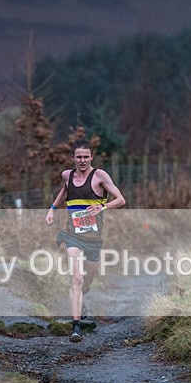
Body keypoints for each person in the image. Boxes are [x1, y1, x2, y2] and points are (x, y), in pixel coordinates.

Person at [46, 139, 126, 342]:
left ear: (91, 157)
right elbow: (64, 192)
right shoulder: (67, 175)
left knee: (87, 283)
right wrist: (52, 209)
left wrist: (103, 207)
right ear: (73, 158)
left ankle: (81, 301)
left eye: (86, 156)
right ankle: (76, 328)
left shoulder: (100, 176)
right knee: (76, 280)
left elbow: (121, 199)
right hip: (72, 236)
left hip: (93, 239)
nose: (82, 160)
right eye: (78, 157)